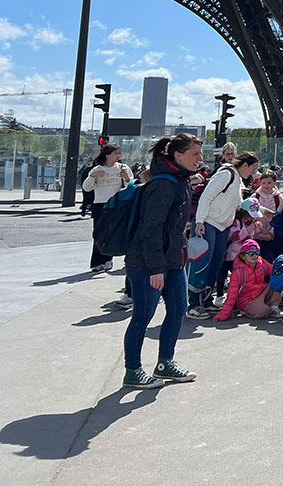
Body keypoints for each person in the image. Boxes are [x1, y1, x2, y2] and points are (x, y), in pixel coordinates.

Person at [122, 133, 203, 389]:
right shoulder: (163, 185)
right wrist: (156, 269)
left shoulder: (179, 180)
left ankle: (164, 362)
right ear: (177, 156)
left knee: (179, 309)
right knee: (142, 316)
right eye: (195, 154)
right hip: (148, 263)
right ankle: (133, 370)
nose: (200, 160)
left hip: (173, 260)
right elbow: (151, 229)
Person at [190, 151, 260, 317]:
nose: (253, 172)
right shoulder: (226, 174)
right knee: (202, 265)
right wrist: (199, 221)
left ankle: (206, 301)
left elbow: (238, 206)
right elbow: (206, 197)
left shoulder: (238, 180)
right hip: (208, 223)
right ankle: (194, 305)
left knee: (215, 265)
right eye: (253, 168)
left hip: (222, 227)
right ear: (245, 165)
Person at [83, 142, 133, 272]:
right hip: (99, 204)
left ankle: (108, 259)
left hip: (117, 204)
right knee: (98, 233)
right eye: (115, 153)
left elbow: (132, 187)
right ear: (107, 155)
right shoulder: (97, 169)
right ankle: (97, 262)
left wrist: (127, 178)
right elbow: (86, 188)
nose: (118, 156)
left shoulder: (123, 168)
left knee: (113, 232)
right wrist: (92, 176)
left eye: (119, 153)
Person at [212, 239, 273, 322]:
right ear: (243, 256)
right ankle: (259, 308)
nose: (255, 256)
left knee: (278, 281)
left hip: (262, 293)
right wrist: (224, 314)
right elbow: (231, 295)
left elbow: (274, 270)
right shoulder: (238, 272)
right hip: (247, 300)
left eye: (257, 253)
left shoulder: (261, 262)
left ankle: (273, 306)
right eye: (251, 253)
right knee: (264, 311)